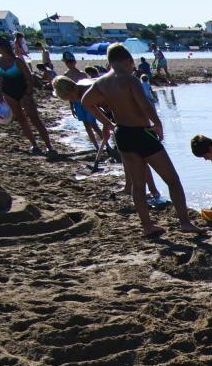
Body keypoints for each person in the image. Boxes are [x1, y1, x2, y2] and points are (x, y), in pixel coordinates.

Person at [81, 43, 202, 237]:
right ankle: (185, 223)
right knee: (172, 179)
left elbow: (86, 102)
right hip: (142, 133)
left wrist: (108, 123)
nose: (132, 67)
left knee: (138, 185)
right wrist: (158, 124)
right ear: (127, 60)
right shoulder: (130, 80)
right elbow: (145, 105)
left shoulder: (101, 83)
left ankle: (147, 226)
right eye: (131, 63)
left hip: (122, 133)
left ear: (110, 62)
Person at [0, 37, 55, 154]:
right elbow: (0, 78)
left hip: (23, 91)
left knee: (35, 119)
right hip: (8, 92)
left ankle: (49, 146)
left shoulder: (17, 61)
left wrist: (28, 93)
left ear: (3, 47)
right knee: (21, 119)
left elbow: (29, 78)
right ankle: (34, 145)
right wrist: (0, 94)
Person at [52, 73, 112, 166]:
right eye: (68, 99)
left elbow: (109, 107)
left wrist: (108, 123)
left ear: (74, 87)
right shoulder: (80, 92)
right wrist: (106, 124)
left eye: (71, 97)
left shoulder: (88, 92)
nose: (72, 100)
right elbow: (98, 112)